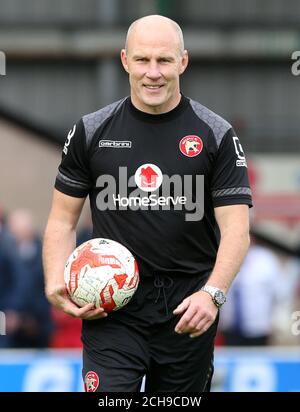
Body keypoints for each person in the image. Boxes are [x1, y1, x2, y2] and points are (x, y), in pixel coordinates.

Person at [43, 15, 252, 392]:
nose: (152, 72)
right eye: (142, 60)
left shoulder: (215, 134)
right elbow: (61, 220)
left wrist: (213, 293)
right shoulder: (91, 131)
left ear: (182, 62)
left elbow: (237, 229)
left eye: (164, 60)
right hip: (111, 309)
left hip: (188, 311)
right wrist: (54, 278)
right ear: (125, 60)